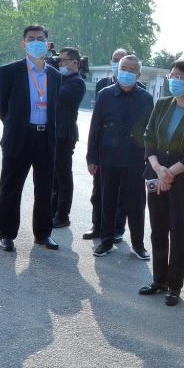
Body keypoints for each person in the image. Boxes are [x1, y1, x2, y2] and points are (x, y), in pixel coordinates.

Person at [140, 59, 184, 305]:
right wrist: (158, 169)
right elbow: (149, 136)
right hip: (156, 173)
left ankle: (174, 286)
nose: (173, 81)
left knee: (178, 232)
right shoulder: (162, 104)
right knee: (158, 230)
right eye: (172, 76)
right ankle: (159, 279)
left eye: (179, 77)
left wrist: (170, 174)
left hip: (183, 180)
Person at [0, 24, 63, 252]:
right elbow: (1, 105)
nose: (35, 42)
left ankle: (43, 234)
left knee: (44, 190)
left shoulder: (55, 75)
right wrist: (15, 125)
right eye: (31, 38)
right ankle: (6, 234)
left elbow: (55, 107)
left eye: (40, 38)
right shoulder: (9, 71)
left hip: (45, 139)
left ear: (47, 44)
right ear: (23, 43)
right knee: (11, 188)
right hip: (19, 138)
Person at [87, 54, 153, 259]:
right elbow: (95, 128)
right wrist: (92, 158)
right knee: (107, 201)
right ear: (117, 69)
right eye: (123, 68)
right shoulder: (105, 95)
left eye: (132, 70)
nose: (126, 72)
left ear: (139, 74)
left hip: (135, 160)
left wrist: (151, 161)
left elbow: (150, 132)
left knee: (136, 204)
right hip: (108, 158)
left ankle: (138, 245)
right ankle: (105, 242)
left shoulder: (146, 98)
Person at [85, 47, 133, 241]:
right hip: (104, 151)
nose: (118, 63)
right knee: (98, 192)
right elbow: (96, 124)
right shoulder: (103, 86)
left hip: (125, 153)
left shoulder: (139, 89)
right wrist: (92, 156)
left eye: (122, 59)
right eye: (115, 59)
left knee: (121, 195)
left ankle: (116, 230)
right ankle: (97, 226)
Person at [51, 47, 88, 229]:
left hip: (65, 134)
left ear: (75, 63)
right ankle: (53, 210)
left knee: (63, 175)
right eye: (59, 60)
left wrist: (50, 72)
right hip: (54, 132)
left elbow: (57, 94)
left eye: (63, 60)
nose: (60, 63)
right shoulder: (62, 78)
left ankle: (63, 214)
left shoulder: (77, 82)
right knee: (54, 176)